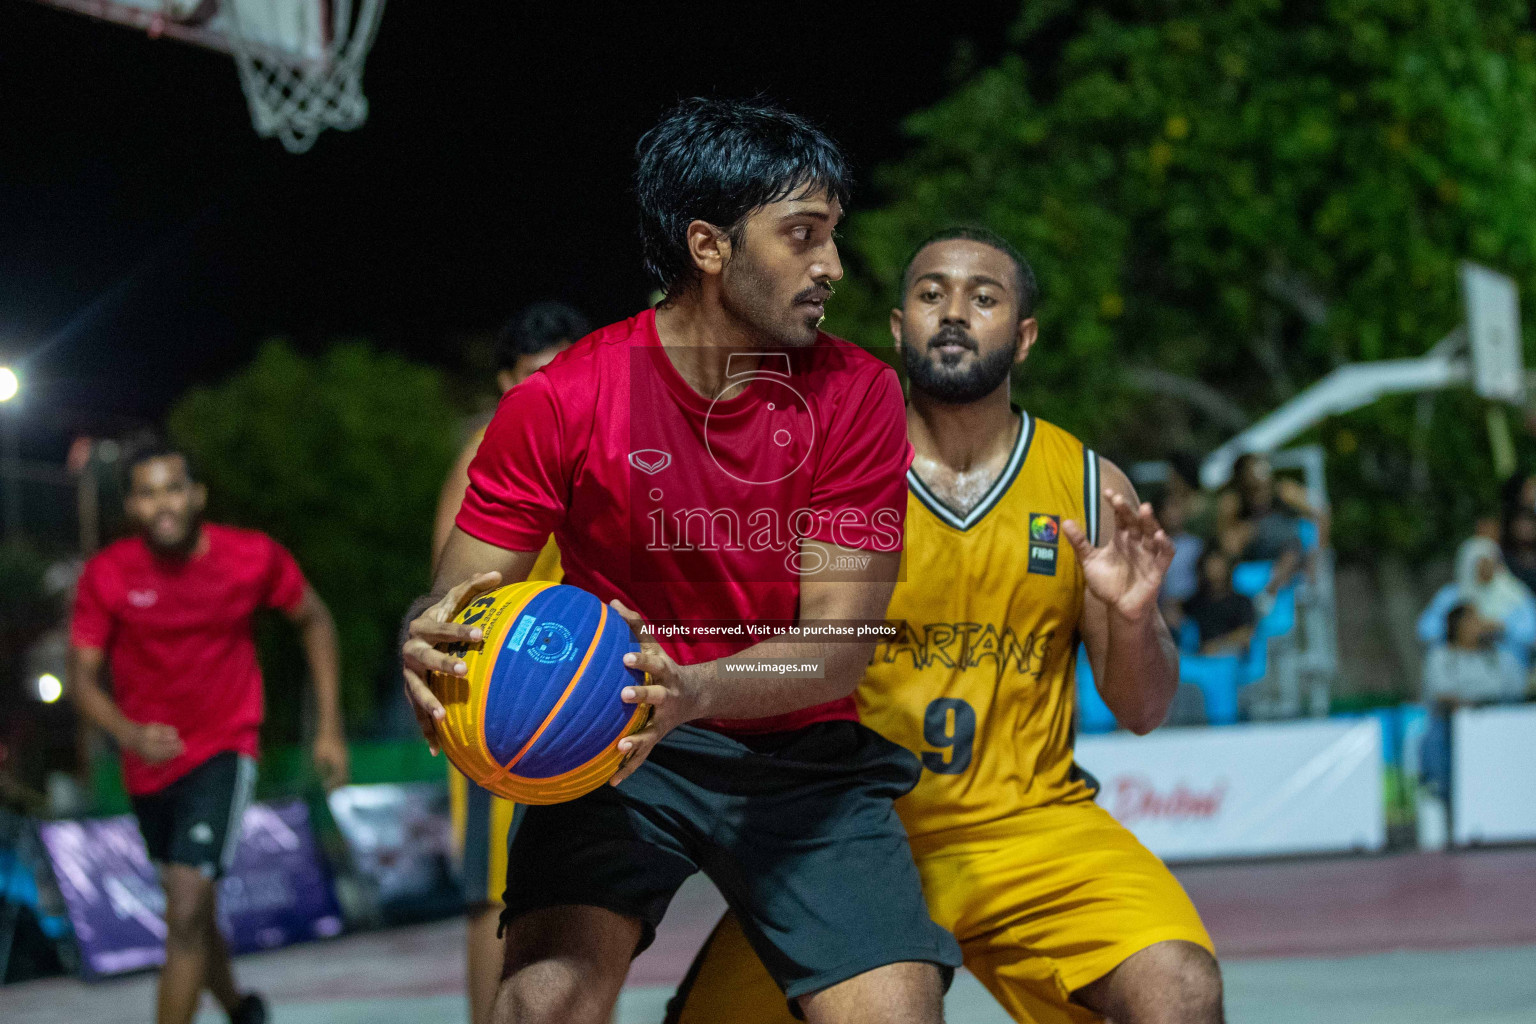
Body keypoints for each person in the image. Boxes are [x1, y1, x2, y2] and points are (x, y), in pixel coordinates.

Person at [401, 98, 961, 1024]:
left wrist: (691, 689)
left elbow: (840, 643)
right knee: (540, 1009)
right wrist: (422, 643)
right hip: (610, 748)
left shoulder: (858, 394)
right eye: (803, 235)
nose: (833, 265)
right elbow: (459, 600)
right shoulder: (562, 401)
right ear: (709, 246)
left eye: (834, 235)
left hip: (797, 749)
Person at [665, 228, 1222, 1024]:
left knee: (1179, 988)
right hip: (852, 836)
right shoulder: (822, 475)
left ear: (1023, 337)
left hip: (1032, 831)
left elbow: (1143, 709)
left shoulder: (1089, 486)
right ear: (898, 327)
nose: (954, 313)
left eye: (983, 297)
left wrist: (1135, 620)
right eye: (932, 294)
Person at [67, 443, 346, 1024]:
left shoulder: (251, 557)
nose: (161, 504)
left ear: (197, 496)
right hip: (148, 765)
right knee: (189, 908)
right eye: (146, 493)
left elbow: (315, 621)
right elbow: (81, 679)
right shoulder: (108, 574)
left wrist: (330, 730)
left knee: (188, 907)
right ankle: (241, 1010)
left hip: (224, 744)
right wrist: (129, 733)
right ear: (131, 505)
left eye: (172, 489)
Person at [430, 300, 588, 1024]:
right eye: (533, 375)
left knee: (586, 896)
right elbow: (448, 589)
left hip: (583, 698)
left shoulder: (605, 444)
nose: (550, 386)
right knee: (490, 897)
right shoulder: (488, 449)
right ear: (504, 382)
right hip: (500, 697)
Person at [1419, 602, 1527, 797]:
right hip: (1455, 721)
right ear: (1457, 626)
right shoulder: (1442, 656)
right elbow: (1440, 693)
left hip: (1497, 719)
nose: (1478, 625)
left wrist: (1502, 637)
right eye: (1472, 621)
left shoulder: (1497, 656)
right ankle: (1444, 791)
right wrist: (1469, 707)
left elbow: (1517, 689)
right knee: (1437, 734)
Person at [1418, 536, 1536, 673]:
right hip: (1459, 669)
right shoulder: (1451, 596)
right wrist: (1462, 628)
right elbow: (1426, 630)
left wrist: (1502, 627)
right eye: (1481, 563)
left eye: (1491, 562)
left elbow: (1531, 632)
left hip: (1509, 670)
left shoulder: (1515, 594)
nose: (1487, 568)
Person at [1214, 452, 1324, 598]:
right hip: (1260, 553)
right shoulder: (1234, 503)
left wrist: (1318, 553)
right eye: (1253, 487)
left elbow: (1321, 514)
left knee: (1296, 542)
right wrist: (1246, 532)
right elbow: (1229, 548)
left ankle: (1271, 592)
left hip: (1292, 549)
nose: (1259, 491)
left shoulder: (1284, 491)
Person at [1183, 549, 1257, 656]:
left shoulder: (1241, 602)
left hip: (1230, 658)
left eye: (1219, 566)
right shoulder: (1195, 602)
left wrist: (1218, 645)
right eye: (1210, 566)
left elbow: (1246, 633)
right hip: (1199, 658)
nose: (1215, 571)